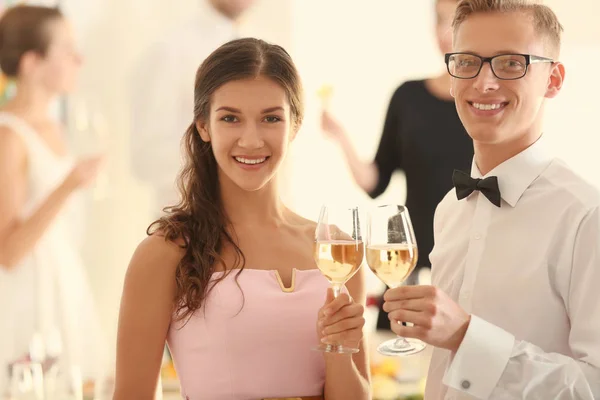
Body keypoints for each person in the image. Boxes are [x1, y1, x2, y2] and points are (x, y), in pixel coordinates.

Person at [114, 38, 370, 400]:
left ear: (295, 125)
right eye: (230, 118)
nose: (251, 140)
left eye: (271, 118)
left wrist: (338, 350)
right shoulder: (164, 254)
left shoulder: (338, 252)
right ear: (203, 126)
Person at [382, 0, 600, 398]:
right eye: (467, 62)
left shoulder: (587, 217)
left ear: (553, 79)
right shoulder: (449, 209)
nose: (484, 83)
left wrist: (468, 337)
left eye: (511, 64)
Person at [321, 0, 473, 331]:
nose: (446, 31)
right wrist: (341, 136)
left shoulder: (487, 101)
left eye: (457, 21)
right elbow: (375, 182)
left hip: (471, 267)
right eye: (440, 20)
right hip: (407, 266)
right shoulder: (407, 97)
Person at [0, 4, 108, 393]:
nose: (78, 59)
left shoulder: (56, 125)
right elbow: (8, 252)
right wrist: (68, 186)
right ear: (32, 62)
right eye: (66, 49)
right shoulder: (9, 136)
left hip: (65, 281)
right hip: (27, 295)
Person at [130, 0, 257, 214]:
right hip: (188, 226)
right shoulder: (170, 51)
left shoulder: (263, 47)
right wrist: (223, 160)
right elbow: (145, 157)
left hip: (251, 228)